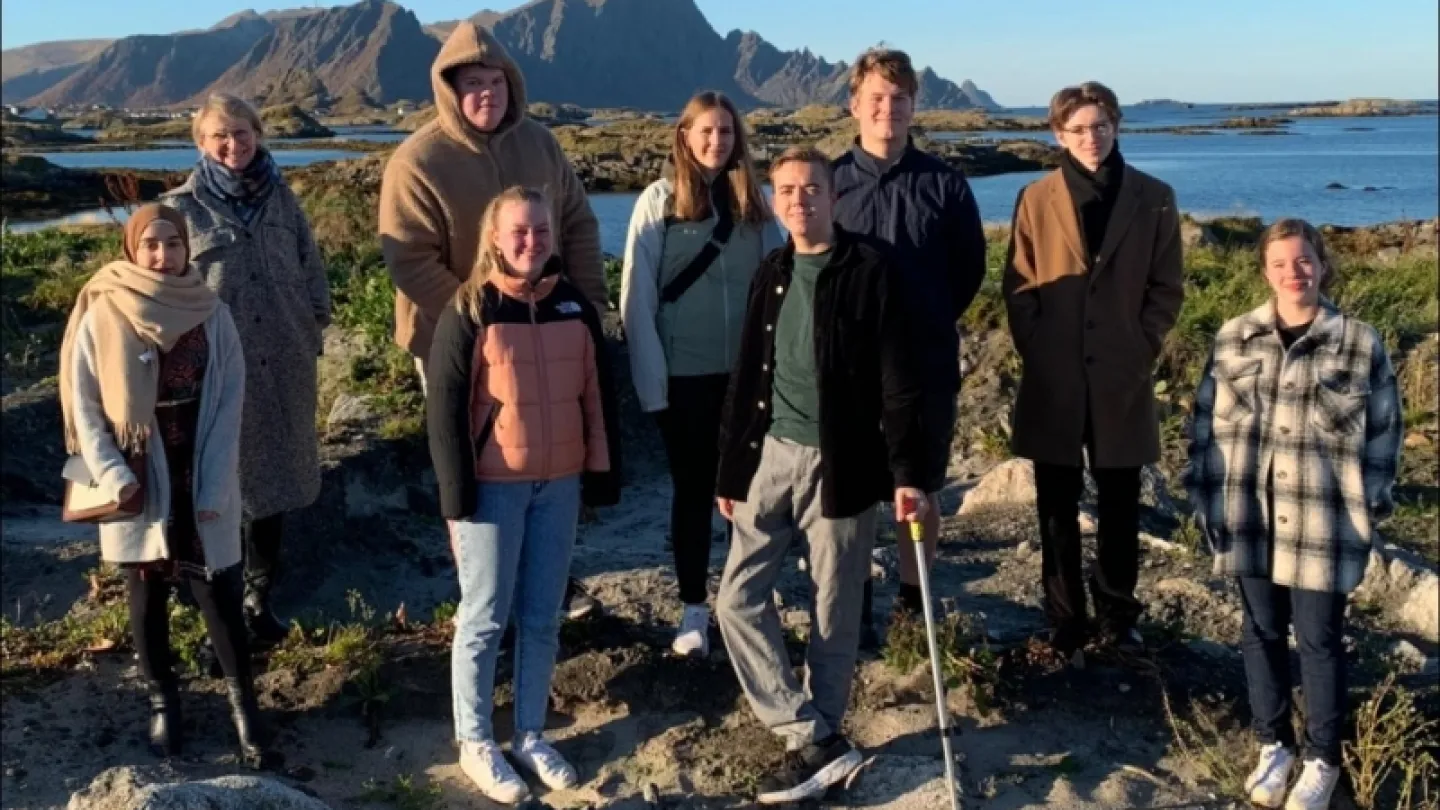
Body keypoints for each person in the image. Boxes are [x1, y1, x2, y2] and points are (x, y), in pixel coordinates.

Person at [714, 147, 928, 805]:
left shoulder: (871, 270)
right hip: (771, 457)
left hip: (846, 463)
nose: (799, 201)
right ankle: (811, 735)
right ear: (773, 200)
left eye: (811, 189)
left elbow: (900, 379)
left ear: (834, 197)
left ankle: (822, 745)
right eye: (786, 190)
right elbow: (749, 373)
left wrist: (909, 473)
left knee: (834, 610)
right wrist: (731, 467)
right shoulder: (771, 271)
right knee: (735, 600)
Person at [380, 21, 607, 620]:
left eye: (496, 81)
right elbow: (409, 258)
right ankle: (485, 597)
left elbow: (578, 224)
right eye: (473, 83)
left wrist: (585, 306)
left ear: (514, 85)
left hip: (546, 340)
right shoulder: (417, 160)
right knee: (472, 464)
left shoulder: (542, 145)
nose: (486, 93)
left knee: (542, 457)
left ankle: (549, 584)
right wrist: (477, 321)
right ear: (449, 91)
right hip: (450, 341)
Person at [1185, 220, 1401, 810]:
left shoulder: (1358, 341)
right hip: (1247, 511)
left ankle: (1323, 757)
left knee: (1319, 639)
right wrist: (1205, 498)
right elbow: (1204, 424)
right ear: (1265, 271)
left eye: (1303, 260)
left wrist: (1372, 504)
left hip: (1323, 520)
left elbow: (1385, 431)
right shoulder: (1234, 338)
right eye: (1280, 263)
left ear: (1322, 265)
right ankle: (1272, 744)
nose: (1293, 272)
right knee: (1258, 631)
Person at [426, 187, 622, 804]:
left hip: (558, 483)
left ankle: (531, 733)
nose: (531, 242)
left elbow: (597, 396)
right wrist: (457, 494)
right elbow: (446, 410)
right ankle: (476, 739)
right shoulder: (471, 308)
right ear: (494, 237)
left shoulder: (574, 307)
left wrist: (600, 472)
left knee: (541, 617)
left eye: (540, 230)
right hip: (493, 487)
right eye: (519, 232)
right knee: (484, 618)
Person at [59, 204, 263, 763]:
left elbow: (228, 402)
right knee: (145, 594)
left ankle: (245, 711)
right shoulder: (104, 307)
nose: (162, 256)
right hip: (139, 468)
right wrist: (113, 473)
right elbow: (86, 404)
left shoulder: (210, 310)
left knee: (217, 591)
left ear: (186, 248)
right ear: (132, 248)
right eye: (150, 244)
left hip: (199, 461)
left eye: (173, 244)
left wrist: (215, 487)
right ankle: (162, 705)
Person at [1002, 81, 1184, 661]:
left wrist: (1140, 346)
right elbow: (1021, 284)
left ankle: (1118, 615)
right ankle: (1064, 618)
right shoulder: (1035, 198)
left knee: (1120, 501)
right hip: (1054, 376)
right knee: (1054, 503)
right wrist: (1039, 349)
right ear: (1058, 134)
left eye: (1100, 126)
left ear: (1117, 126)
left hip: (1120, 374)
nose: (1090, 138)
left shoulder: (1154, 197)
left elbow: (1167, 287)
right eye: (1077, 129)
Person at [831, 48, 987, 647]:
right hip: (849, 369)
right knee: (858, 492)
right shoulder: (832, 184)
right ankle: (858, 602)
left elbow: (968, 272)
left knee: (916, 489)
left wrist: (923, 322)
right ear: (854, 105)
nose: (887, 110)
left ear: (914, 106)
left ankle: (910, 601)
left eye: (899, 100)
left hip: (924, 365)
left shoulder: (945, 186)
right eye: (875, 98)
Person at [620, 91, 784, 658]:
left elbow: (780, 294)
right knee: (693, 491)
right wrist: (651, 383)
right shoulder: (658, 202)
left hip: (747, 380)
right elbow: (636, 299)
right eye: (706, 132)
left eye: (727, 132)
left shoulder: (758, 207)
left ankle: (746, 603)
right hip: (684, 378)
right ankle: (694, 608)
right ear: (685, 136)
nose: (717, 142)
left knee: (752, 494)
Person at [165, 93, 331, 645]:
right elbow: (156, 294)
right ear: (201, 143)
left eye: (242, 133)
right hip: (214, 376)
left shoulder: (284, 201)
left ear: (258, 134)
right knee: (216, 488)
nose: (233, 145)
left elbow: (312, 268)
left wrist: (313, 324)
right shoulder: (181, 211)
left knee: (274, 484)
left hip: (284, 364)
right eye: (220, 136)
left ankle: (261, 601)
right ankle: (218, 610)